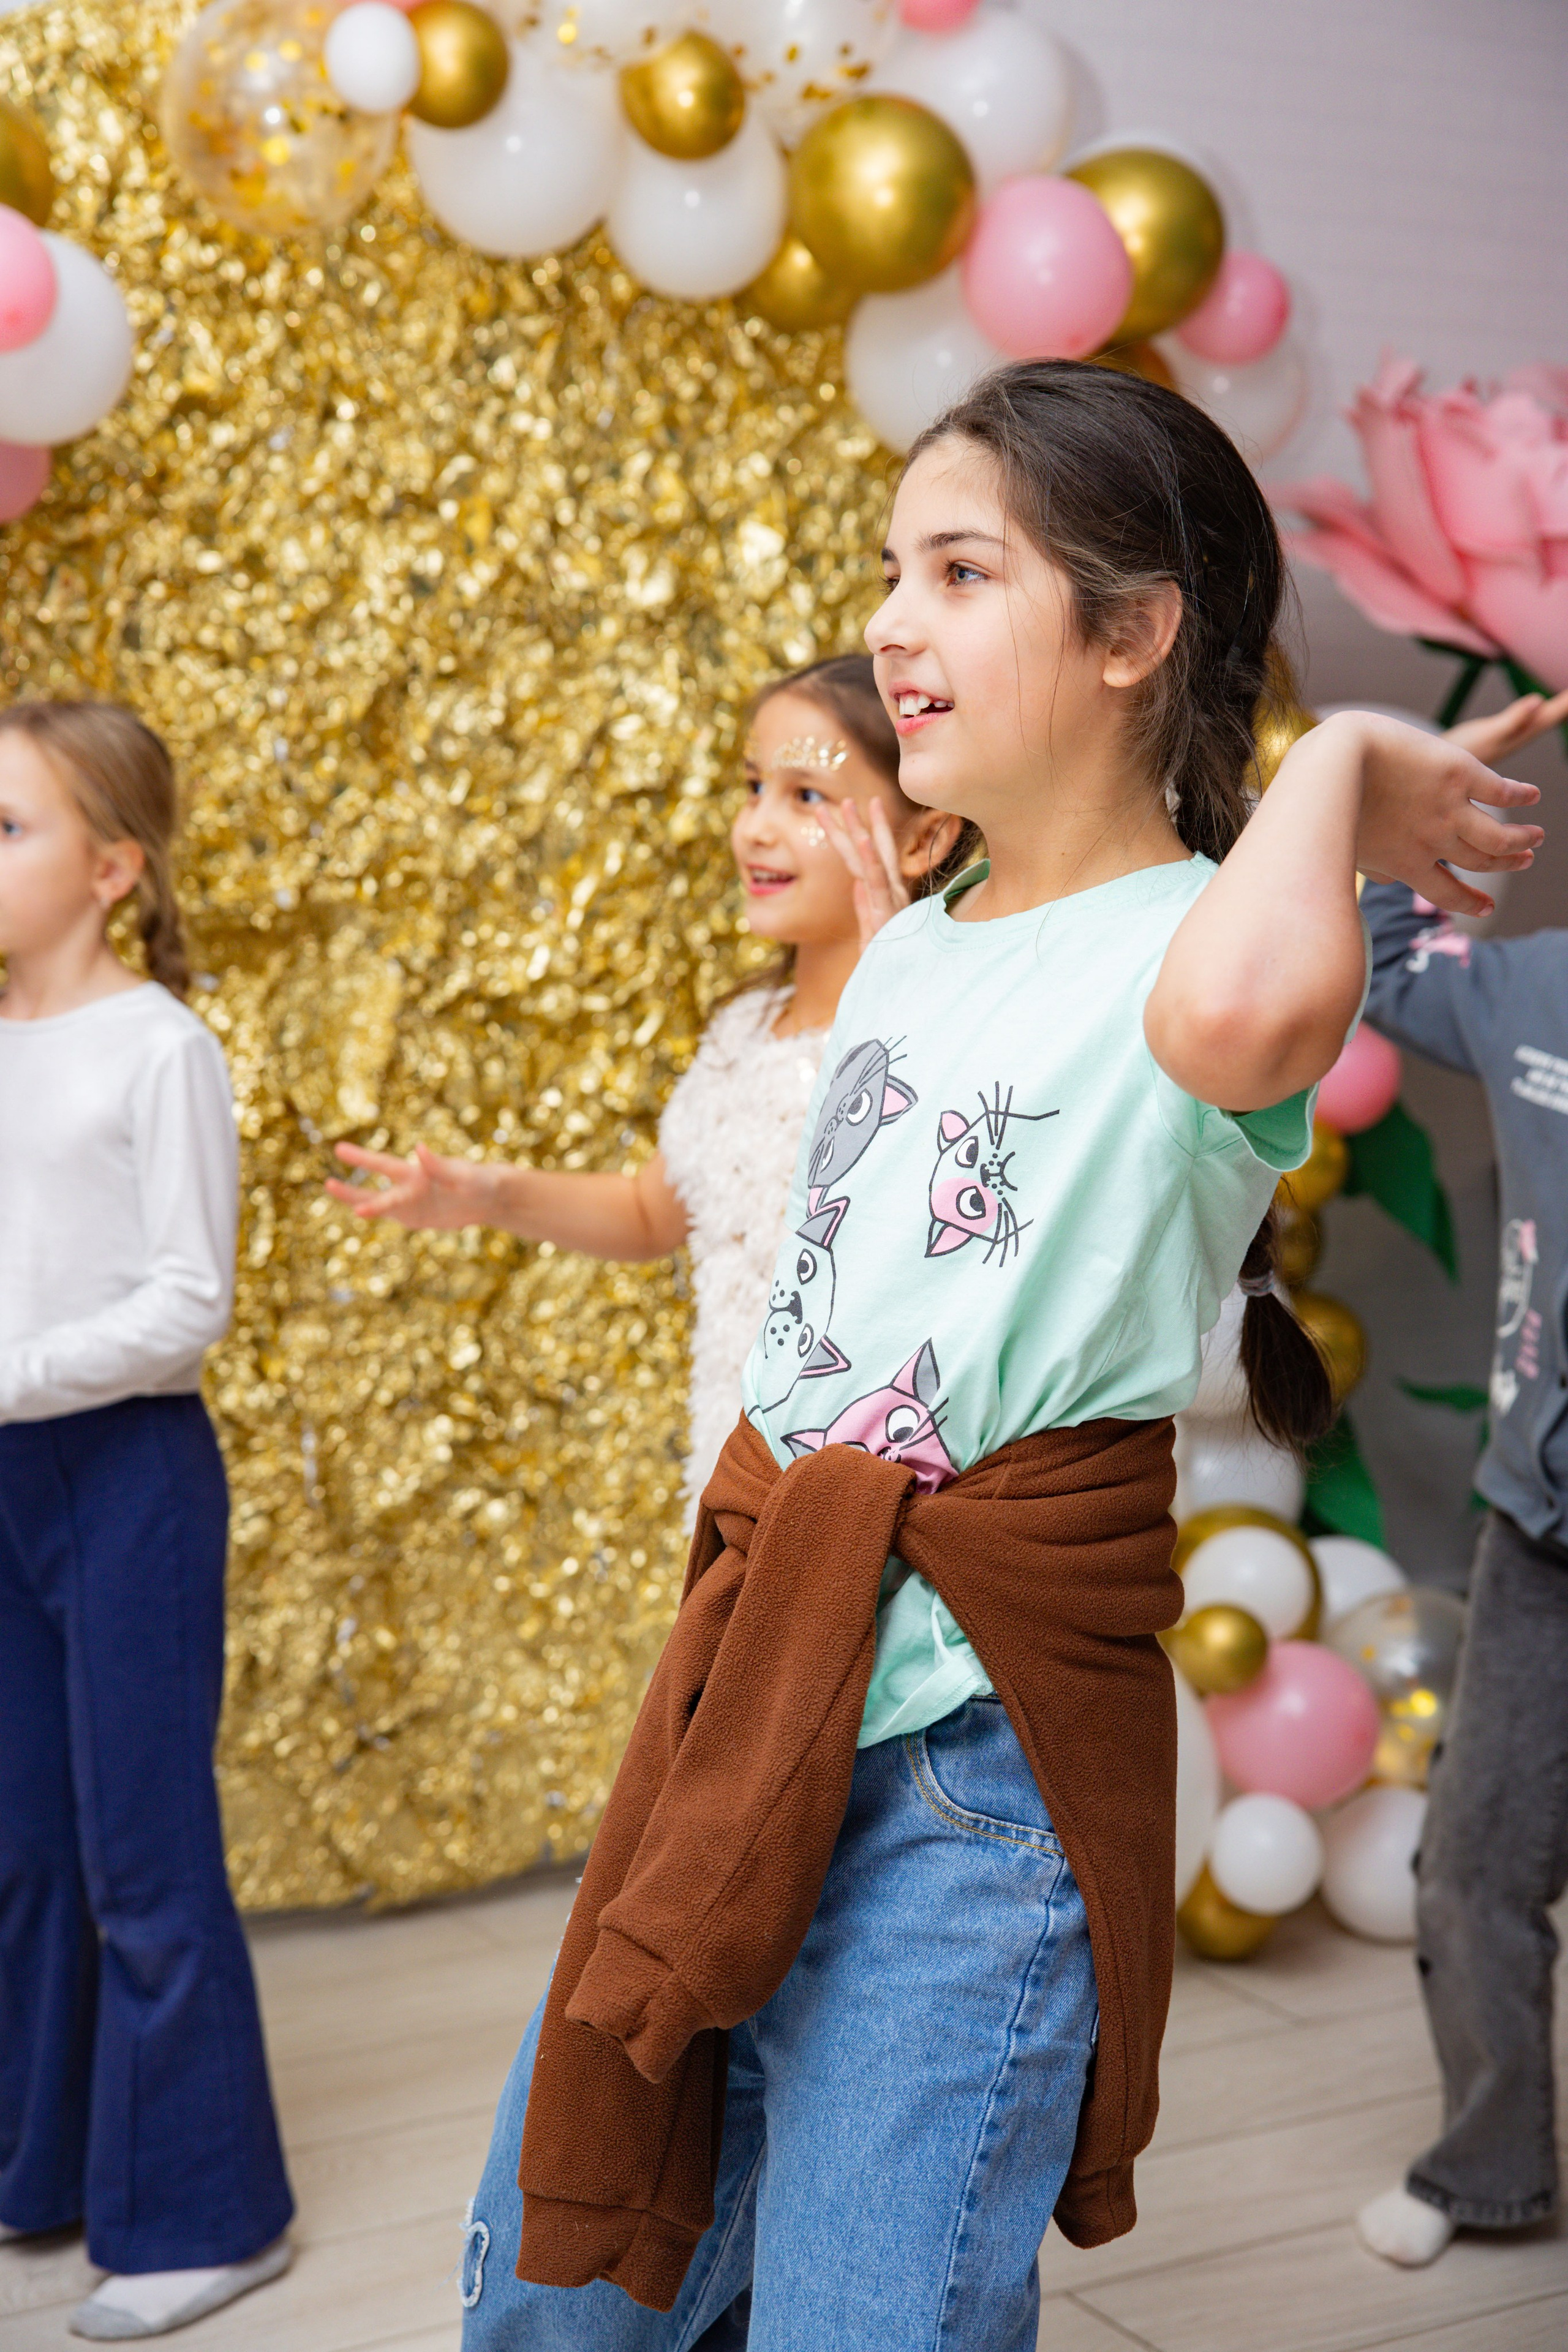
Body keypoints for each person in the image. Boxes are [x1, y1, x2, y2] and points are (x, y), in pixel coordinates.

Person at [458, 360, 1541, 2352]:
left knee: (867, 2317)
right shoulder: (915, 941)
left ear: (1134, 636)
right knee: (558, 2285)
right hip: (761, 1686)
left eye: (961, 572)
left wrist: (1330, 771)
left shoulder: (1204, 944)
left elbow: (1241, 1017)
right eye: (893, 567)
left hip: (976, 1767)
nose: (893, 621)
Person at [325, 654, 967, 1517]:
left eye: (806, 796)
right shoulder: (745, 1027)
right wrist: (488, 1194)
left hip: (859, 1492)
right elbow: (650, 1214)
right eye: (754, 788)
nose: (756, 828)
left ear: (925, 837)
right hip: (728, 1478)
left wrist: (899, 994)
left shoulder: (937, 1035)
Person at [0, 703, 293, 2340]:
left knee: (141, 1857)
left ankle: (209, 2215)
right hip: (8, 1481)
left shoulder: (160, 1049)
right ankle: (41, 2166)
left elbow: (189, 1301)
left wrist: (14, 1374)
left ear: (113, 869)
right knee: (24, 1843)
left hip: (128, 1484)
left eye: (9, 827)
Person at [1346, 684, 1568, 2271]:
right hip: (1536, 1532)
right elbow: (1377, 960)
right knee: (1473, 1859)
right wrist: (1400, 798)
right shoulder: (1532, 994)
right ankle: (1488, 2165)